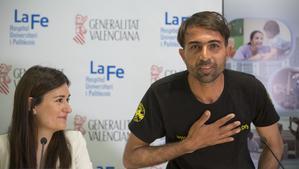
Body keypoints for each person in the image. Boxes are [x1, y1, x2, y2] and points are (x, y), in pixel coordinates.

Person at [123, 11, 284, 169]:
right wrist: (188, 144)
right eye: (195, 47)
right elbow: (131, 159)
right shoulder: (162, 93)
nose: (205, 56)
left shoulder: (250, 88)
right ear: (183, 54)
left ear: (227, 51)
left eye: (214, 46)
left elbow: (274, 144)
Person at [0, 65, 93, 169]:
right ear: (31, 104)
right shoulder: (2, 147)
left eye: (67, 100)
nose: (69, 109)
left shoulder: (74, 142)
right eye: (59, 100)